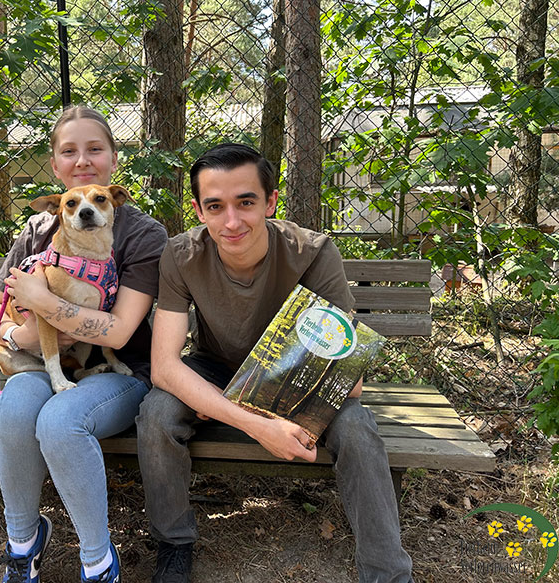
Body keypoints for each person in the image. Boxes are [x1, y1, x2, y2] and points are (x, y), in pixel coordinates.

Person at [136, 143, 414, 583]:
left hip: (298, 378)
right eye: (215, 206)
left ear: (270, 202)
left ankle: (388, 574)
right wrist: (255, 423)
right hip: (216, 366)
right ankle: (174, 543)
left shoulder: (312, 252)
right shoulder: (181, 255)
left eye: (246, 202)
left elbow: (349, 380)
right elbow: (164, 368)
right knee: (157, 413)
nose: (232, 221)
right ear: (198, 210)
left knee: (357, 428)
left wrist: (237, 407)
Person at [0, 106, 167, 583]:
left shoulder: (144, 235)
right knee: (16, 408)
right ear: (56, 167)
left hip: (124, 369)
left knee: (60, 422)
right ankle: (23, 542)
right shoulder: (37, 232)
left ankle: (98, 560)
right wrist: (16, 334)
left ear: (114, 160)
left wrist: (43, 302)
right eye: (69, 152)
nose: (82, 160)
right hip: (45, 359)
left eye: (95, 149)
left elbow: (118, 332)